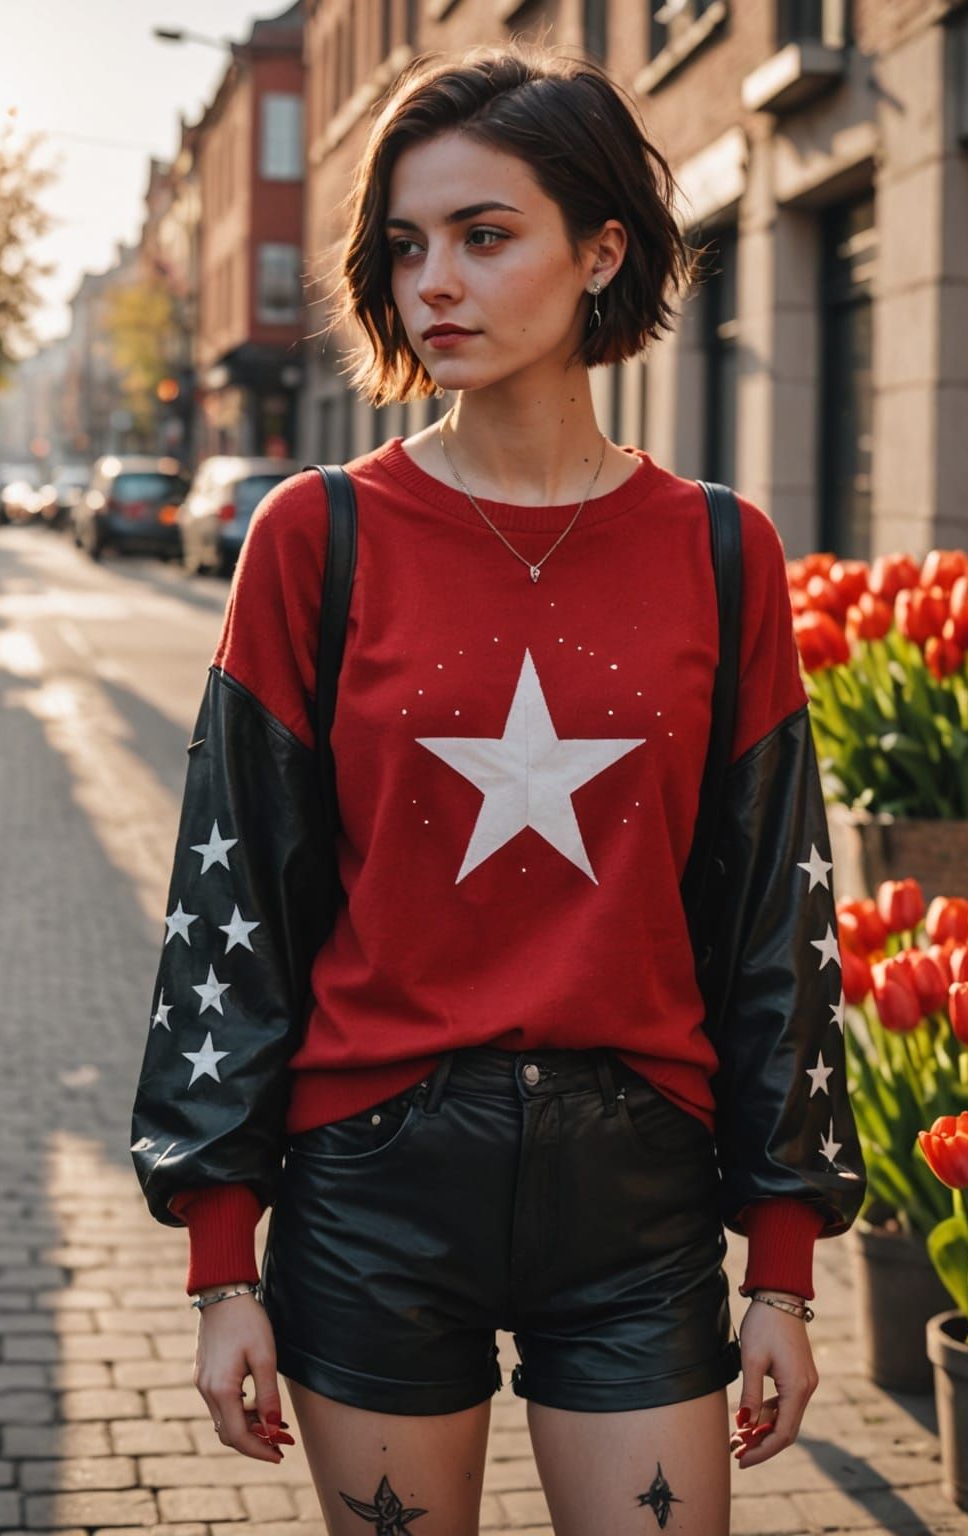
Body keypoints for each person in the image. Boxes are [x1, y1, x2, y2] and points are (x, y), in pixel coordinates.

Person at [131, 41, 865, 1535]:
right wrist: (223, 1264)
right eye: (407, 247)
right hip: (373, 1203)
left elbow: (778, 921)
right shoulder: (313, 538)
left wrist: (780, 1266)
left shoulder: (724, 555)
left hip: (640, 1208)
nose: (434, 285)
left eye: (484, 235)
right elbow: (231, 909)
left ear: (603, 250)